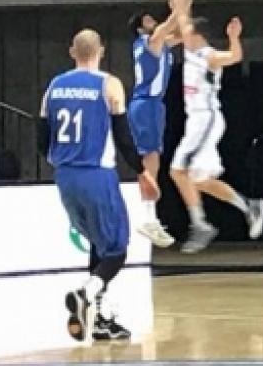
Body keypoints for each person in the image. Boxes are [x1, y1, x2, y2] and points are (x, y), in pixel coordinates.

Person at [41, 29, 159, 342]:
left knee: (99, 242)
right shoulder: (109, 84)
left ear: (72, 52)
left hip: (65, 176)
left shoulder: (54, 86)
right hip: (96, 173)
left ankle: (100, 318)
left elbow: (42, 138)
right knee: (117, 249)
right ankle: (86, 293)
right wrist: (142, 172)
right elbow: (123, 136)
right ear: (101, 51)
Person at [170, 16, 263, 254]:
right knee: (200, 182)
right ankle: (249, 206)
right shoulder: (190, 51)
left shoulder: (209, 56)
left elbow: (235, 56)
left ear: (198, 35)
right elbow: (181, 16)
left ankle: (200, 224)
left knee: (177, 171)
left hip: (205, 118)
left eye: (187, 33)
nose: (182, 36)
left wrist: (233, 38)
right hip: (197, 120)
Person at [126, 0, 200, 248]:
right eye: (148, 20)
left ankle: (150, 214)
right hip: (145, 104)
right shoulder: (150, 40)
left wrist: (184, 4)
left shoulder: (161, 42)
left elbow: (182, 30)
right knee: (150, 160)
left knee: (153, 160)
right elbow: (170, 24)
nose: (153, 21)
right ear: (140, 28)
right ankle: (147, 215)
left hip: (154, 105)